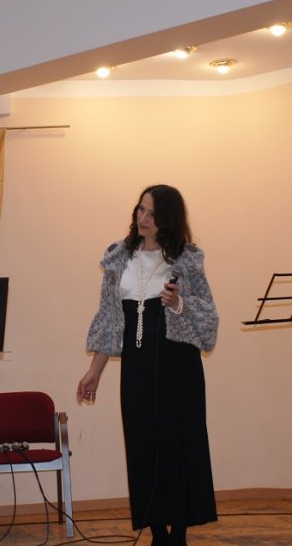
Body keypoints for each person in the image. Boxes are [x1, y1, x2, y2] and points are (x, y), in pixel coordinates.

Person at [76, 185, 218, 546]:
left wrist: (179, 304)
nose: (143, 218)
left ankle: (179, 531)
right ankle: (156, 531)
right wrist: (94, 372)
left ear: (168, 218)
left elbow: (208, 320)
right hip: (137, 367)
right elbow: (110, 320)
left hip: (179, 365)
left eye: (152, 213)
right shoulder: (118, 259)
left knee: (180, 444)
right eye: (140, 209)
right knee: (142, 444)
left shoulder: (186, 261)